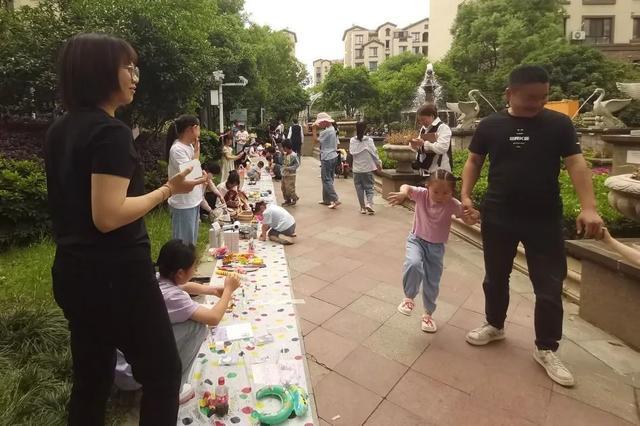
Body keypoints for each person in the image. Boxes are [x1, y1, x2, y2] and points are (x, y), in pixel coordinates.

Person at [44, 33, 206, 425]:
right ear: (100, 72)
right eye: (128, 67)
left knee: (93, 377)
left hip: (72, 272)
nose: (135, 76)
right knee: (164, 374)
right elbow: (109, 214)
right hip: (118, 278)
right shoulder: (110, 132)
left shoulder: (60, 130)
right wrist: (169, 188)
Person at [461, 65, 604, 387]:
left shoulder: (559, 125)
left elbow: (576, 163)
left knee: (549, 285)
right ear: (509, 94)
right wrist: (466, 195)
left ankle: (546, 348)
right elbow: (473, 160)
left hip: (544, 217)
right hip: (499, 214)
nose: (537, 103)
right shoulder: (490, 125)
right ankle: (494, 325)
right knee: (495, 277)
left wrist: (589, 207)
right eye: (530, 98)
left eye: (543, 97)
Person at [114, 239, 241, 400]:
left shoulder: (157, 278)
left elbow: (186, 286)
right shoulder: (174, 297)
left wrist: (213, 290)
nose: (195, 271)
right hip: (132, 373)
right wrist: (229, 290)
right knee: (198, 327)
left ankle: (159, 377)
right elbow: (213, 318)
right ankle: (174, 390)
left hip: (121, 363)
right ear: (180, 273)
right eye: (194, 267)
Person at [389, 170, 479, 333]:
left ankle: (428, 315)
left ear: (452, 192)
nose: (440, 196)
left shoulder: (452, 203)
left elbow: (467, 219)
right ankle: (409, 298)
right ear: (427, 187)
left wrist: (474, 216)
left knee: (432, 282)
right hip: (416, 240)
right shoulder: (422, 195)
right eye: (436, 191)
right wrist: (403, 194)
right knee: (413, 263)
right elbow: (406, 187)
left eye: (446, 192)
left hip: (436, 247)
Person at [166, 114, 205, 245]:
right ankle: (180, 266)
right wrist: (197, 156)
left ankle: (189, 264)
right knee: (183, 244)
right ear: (193, 128)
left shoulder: (189, 146)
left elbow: (194, 170)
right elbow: (191, 174)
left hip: (192, 200)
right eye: (199, 127)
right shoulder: (177, 149)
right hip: (183, 203)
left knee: (191, 242)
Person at [409, 103, 453, 176]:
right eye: (420, 120)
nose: (422, 123)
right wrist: (414, 144)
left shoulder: (443, 128)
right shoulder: (423, 128)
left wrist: (425, 144)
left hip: (439, 171)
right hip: (425, 171)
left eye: (423, 119)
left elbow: (442, 148)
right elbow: (419, 149)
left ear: (432, 116)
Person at [349, 120, 382, 215]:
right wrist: (378, 163)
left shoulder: (352, 140)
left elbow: (351, 152)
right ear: (365, 129)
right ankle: (369, 204)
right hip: (367, 168)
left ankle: (362, 208)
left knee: (359, 188)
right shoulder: (369, 140)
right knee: (369, 188)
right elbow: (374, 154)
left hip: (357, 170)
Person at [312, 112, 341, 209]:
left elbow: (315, 140)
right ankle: (327, 199)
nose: (319, 124)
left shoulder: (327, 131)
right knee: (329, 178)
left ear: (325, 121)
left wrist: (314, 129)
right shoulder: (333, 129)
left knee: (326, 179)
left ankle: (334, 199)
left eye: (320, 123)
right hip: (333, 156)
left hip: (327, 157)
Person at [281, 140, 300, 206]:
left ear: (286, 147)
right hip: (285, 174)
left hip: (291, 175)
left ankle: (294, 198)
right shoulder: (286, 154)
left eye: (283, 148)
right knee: (284, 188)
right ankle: (287, 200)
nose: (283, 149)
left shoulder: (294, 155)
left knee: (290, 188)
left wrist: (289, 168)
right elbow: (285, 163)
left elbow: (297, 164)